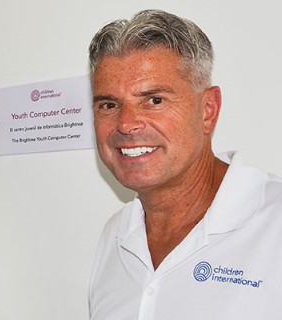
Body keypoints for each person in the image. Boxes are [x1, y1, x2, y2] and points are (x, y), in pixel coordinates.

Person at [88, 9, 282, 320]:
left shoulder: (274, 224)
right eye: (109, 105)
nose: (126, 124)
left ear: (208, 110)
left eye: (154, 100)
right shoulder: (116, 236)